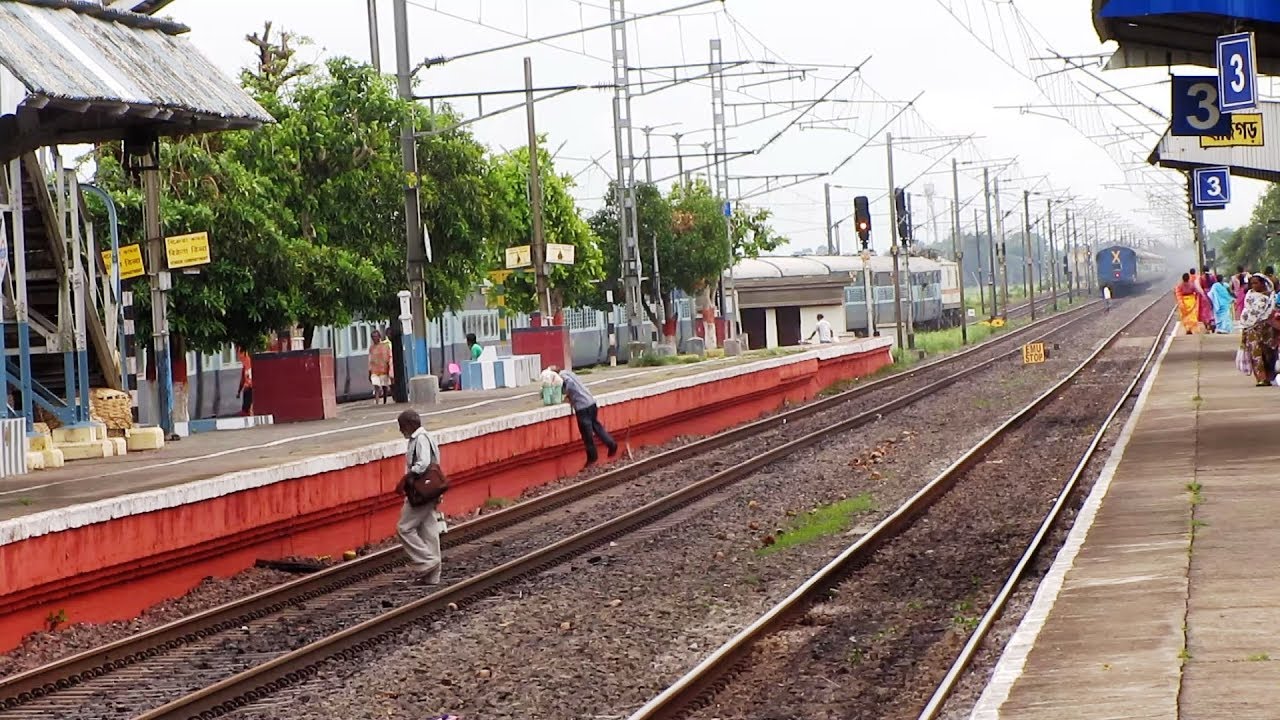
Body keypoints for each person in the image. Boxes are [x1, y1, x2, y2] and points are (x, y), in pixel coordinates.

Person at [394, 410, 443, 586]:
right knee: (428, 529)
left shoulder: (420, 439)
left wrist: (406, 478)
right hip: (431, 490)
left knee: (404, 527)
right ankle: (433, 576)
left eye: (401, 426)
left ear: (409, 424)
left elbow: (422, 464)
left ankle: (427, 562)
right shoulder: (426, 437)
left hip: (421, 491)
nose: (401, 430)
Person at [559, 367, 617, 465]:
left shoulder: (562, 376)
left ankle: (592, 457)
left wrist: (566, 393)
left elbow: (570, 384)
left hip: (582, 407)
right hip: (591, 402)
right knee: (596, 426)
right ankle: (611, 444)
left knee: (587, 435)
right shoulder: (570, 373)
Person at [1240, 274, 1278, 387]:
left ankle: (1269, 376)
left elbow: (1271, 312)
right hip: (1251, 328)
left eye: (1256, 283)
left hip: (1266, 329)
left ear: (1262, 283)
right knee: (1255, 353)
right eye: (1252, 283)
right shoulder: (1250, 295)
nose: (1254, 285)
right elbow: (1248, 310)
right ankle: (1261, 379)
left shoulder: (1270, 297)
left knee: (1268, 353)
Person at [368, 329, 394, 405]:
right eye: (373, 337)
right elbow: (370, 359)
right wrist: (369, 371)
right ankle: (377, 402)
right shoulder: (371, 348)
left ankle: (384, 401)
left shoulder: (385, 346)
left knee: (384, 386)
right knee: (376, 386)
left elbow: (389, 357)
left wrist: (389, 367)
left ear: (379, 337)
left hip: (384, 369)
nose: (374, 338)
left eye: (376, 336)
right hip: (374, 370)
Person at [236, 348, 253, 417]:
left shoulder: (249, 361)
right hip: (247, 387)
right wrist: (239, 391)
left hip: (250, 387)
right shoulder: (245, 364)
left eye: (240, 353)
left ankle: (246, 411)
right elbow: (242, 379)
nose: (239, 356)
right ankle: (245, 411)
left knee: (248, 394)